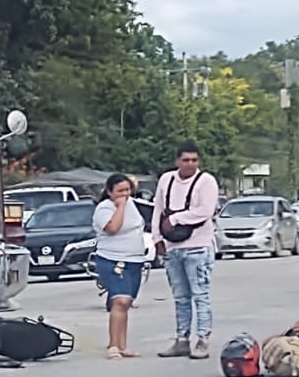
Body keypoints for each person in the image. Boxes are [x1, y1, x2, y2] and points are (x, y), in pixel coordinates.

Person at [151, 141, 220, 359]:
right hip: (173, 248)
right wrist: (156, 237)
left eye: (194, 160)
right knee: (180, 297)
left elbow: (205, 211)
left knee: (200, 295)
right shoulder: (166, 180)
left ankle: (203, 340)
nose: (190, 164)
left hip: (198, 247)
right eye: (185, 160)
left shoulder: (206, 182)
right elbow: (158, 209)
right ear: (177, 160)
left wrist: (177, 218)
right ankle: (182, 339)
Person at [91, 173, 147, 360]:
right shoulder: (104, 208)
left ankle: (122, 344)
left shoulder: (133, 205)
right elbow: (113, 228)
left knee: (127, 302)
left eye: (127, 190)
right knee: (119, 301)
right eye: (120, 191)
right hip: (113, 259)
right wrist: (120, 206)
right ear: (109, 192)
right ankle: (113, 345)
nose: (125, 194)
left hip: (135, 260)